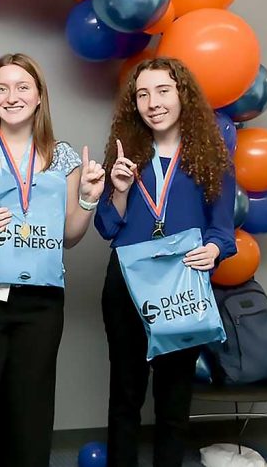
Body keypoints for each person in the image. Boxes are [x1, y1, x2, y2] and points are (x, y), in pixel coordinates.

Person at [0, 52, 105, 467]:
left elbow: (68, 236)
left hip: (41, 300)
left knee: (31, 410)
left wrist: (88, 200)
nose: (12, 96)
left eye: (22, 87)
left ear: (40, 96)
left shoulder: (63, 157)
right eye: (2, 88)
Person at [97, 56, 236, 467]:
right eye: (142, 94)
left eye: (163, 91)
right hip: (127, 287)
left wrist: (213, 251)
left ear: (182, 96)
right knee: (124, 396)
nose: (152, 102)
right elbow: (107, 227)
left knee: (173, 402)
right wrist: (118, 190)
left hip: (182, 288)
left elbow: (223, 232)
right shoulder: (125, 154)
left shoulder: (211, 158)